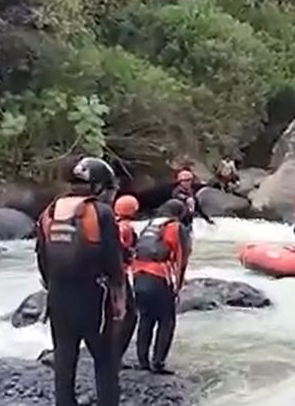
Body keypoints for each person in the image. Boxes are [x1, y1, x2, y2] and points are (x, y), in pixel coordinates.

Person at [36, 156, 126, 406]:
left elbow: (42, 260)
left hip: (58, 297)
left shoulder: (49, 212)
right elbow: (113, 261)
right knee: (105, 361)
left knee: (64, 358)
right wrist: (119, 298)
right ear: (97, 187)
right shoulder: (101, 212)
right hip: (94, 298)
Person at [132, 199, 191, 375]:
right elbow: (181, 258)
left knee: (146, 317)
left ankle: (142, 360)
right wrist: (177, 286)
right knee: (166, 321)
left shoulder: (150, 225)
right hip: (159, 278)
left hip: (138, 276)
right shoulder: (176, 227)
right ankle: (158, 362)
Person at [113, 194, 140, 368]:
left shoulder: (113, 224)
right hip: (119, 275)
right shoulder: (126, 229)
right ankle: (115, 356)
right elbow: (123, 251)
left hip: (113, 274)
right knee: (130, 316)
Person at [171, 169, 214, 234]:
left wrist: (207, 219)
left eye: (190, 180)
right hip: (178, 224)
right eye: (186, 181)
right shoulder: (176, 192)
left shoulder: (191, 192)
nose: (188, 183)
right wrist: (186, 199)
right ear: (180, 182)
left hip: (188, 223)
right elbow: (178, 196)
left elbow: (198, 207)